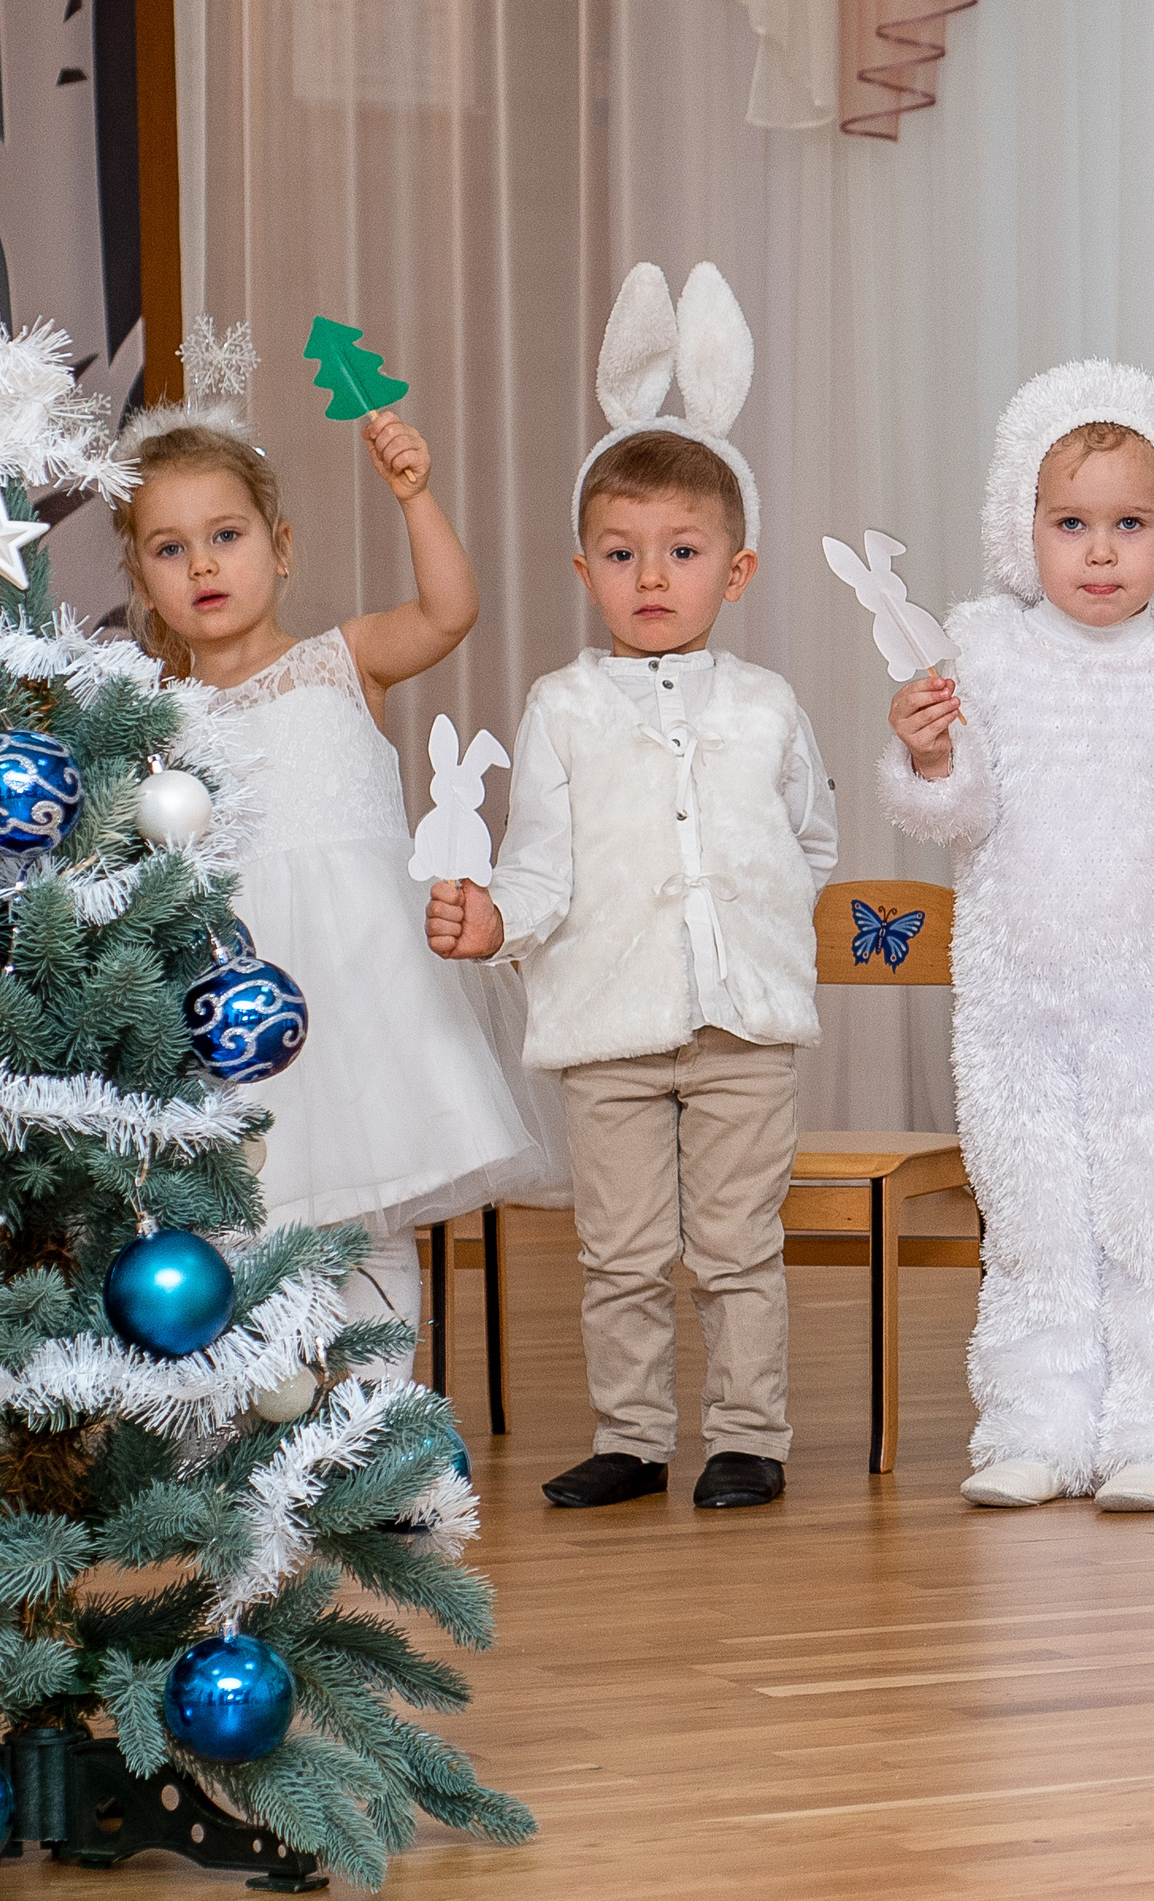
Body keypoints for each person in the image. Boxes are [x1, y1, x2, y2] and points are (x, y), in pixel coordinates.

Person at [428, 263, 835, 1513]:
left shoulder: (766, 708)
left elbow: (809, 842)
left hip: (742, 1025)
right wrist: (499, 919)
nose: (651, 577)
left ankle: (747, 1436)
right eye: (622, 553)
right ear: (583, 565)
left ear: (737, 567)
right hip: (606, 1025)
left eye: (681, 552)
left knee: (733, 1244)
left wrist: (763, 935)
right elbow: (540, 859)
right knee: (615, 1248)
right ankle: (632, 1434)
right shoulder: (562, 707)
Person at [880, 360, 1154, 1513]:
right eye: (1072, 524)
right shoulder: (984, 659)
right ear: (1025, 529)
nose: (1101, 552)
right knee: (1033, 1223)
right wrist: (926, 757)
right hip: (1015, 1003)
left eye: (1129, 524)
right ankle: (1037, 1426)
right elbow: (962, 817)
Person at [116, 341, 552, 1384]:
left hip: (362, 984)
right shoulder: (152, 719)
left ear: (282, 546)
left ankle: (378, 1427)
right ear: (140, 576)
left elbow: (450, 612)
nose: (205, 564)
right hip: (228, 994)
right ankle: (254, 1433)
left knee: (366, 1207)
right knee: (245, 1214)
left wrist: (416, 494)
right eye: (171, 549)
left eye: (226, 536)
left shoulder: (340, 660)